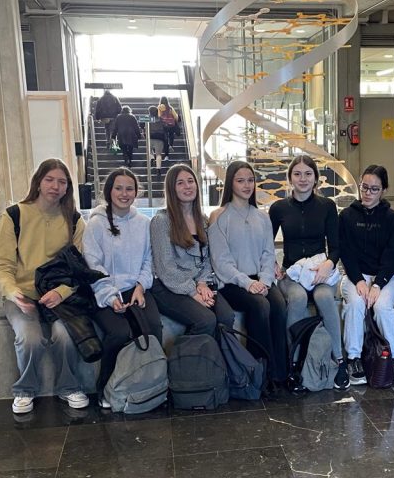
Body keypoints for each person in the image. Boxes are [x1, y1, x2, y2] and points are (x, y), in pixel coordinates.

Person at [0, 158, 91, 414]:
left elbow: (79, 267)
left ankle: (69, 387)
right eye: (50, 180)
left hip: (60, 295)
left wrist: (61, 292)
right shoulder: (14, 215)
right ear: (38, 182)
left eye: (62, 182)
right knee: (30, 338)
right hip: (23, 294)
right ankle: (25, 390)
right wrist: (13, 293)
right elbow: (3, 265)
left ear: (68, 187)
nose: (55, 187)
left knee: (66, 335)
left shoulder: (74, 220)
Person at [82, 168, 162, 406]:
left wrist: (140, 286)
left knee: (153, 327)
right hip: (103, 291)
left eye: (129, 189)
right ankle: (106, 388)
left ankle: (150, 384)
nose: (124, 194)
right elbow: (93, 265)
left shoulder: (144, 223)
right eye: (118, 188)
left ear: (136, 192)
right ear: (109, 191)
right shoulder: (95, 224)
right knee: (118, 332)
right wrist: (109, 297)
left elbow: (149, 260)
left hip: (135, 289)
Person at [270, 155, 347, 389]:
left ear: (316, 178)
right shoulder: (278, 208)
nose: (302, 179)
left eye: (308, 174)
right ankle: (295, 363)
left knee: (324, 297)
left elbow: (336, 247)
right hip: (292, 273)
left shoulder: (327, 206)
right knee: (297, 297)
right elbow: (266, 244)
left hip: (319, 271)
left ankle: (339, 359)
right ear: (290, 178)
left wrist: (328, 264)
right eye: (297, 174)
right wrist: (273, 264)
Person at [208, 161, 288, 385]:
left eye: (250, 180)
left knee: (279, 304)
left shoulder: (262, 217)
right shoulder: (219, 216)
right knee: (260, 305)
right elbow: (220, 262)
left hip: (260, 279)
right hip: (232, 283)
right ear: (230, 183)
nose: (246, 185)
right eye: (240, 180)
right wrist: (248, 283)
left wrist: (265, 281)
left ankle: (279, 374)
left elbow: (268, 254)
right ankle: (259, 374)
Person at [150, 163, 235, 336]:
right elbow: (165, 268)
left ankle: (220, 354)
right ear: (172, 189)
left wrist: (202, 283)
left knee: (226, 316)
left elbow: (208, 259)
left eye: (190, 181)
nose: (187, 186)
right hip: (168, 286)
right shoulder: (161, 221)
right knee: (206, 320)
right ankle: (188, 354)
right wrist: (193, 292)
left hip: (198, 282)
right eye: (180, 183)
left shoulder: (202, 220)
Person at [338, 165, 394, 385]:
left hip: (385, 276)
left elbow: (392, 256)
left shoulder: (393, 219)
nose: (367, 193)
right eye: (364, 187)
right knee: (356, 304)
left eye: (374, 189)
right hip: (356, 274)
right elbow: (346, 252)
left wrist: (377, 285)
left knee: (383, 307)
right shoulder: (347, 216)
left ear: (384, 190)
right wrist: (358, 280)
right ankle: (353, 358)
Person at [147, 105, 169, 171]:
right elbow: (166, 127)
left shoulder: (148, 118)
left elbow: (141, 123)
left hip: (150, 137)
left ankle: (152, 158)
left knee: (149, 151)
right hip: (160, 138)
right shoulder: (161, 118)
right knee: (158, 154)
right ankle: (158, 169)